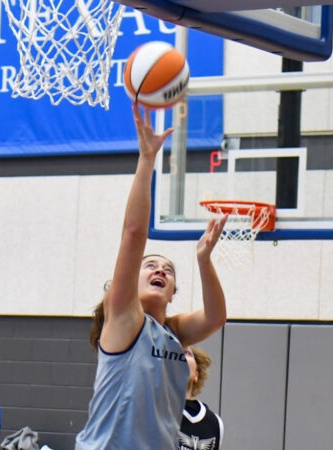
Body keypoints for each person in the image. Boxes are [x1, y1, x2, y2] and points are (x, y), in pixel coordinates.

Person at [75, 103, 228, 449]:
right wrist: (147, 160)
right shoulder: (126, 320)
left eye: (169, 270)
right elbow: (133, 233)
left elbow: (216, 318)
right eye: (151, 266)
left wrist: (203, 260)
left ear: (173, 292)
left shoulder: (174, 333)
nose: (161, 269)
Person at [178, 346, 224, 450]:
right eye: (175, 353)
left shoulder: (214, 423)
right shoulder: (154, 411)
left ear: (196, 374)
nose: (180, 357)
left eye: (187, 353)